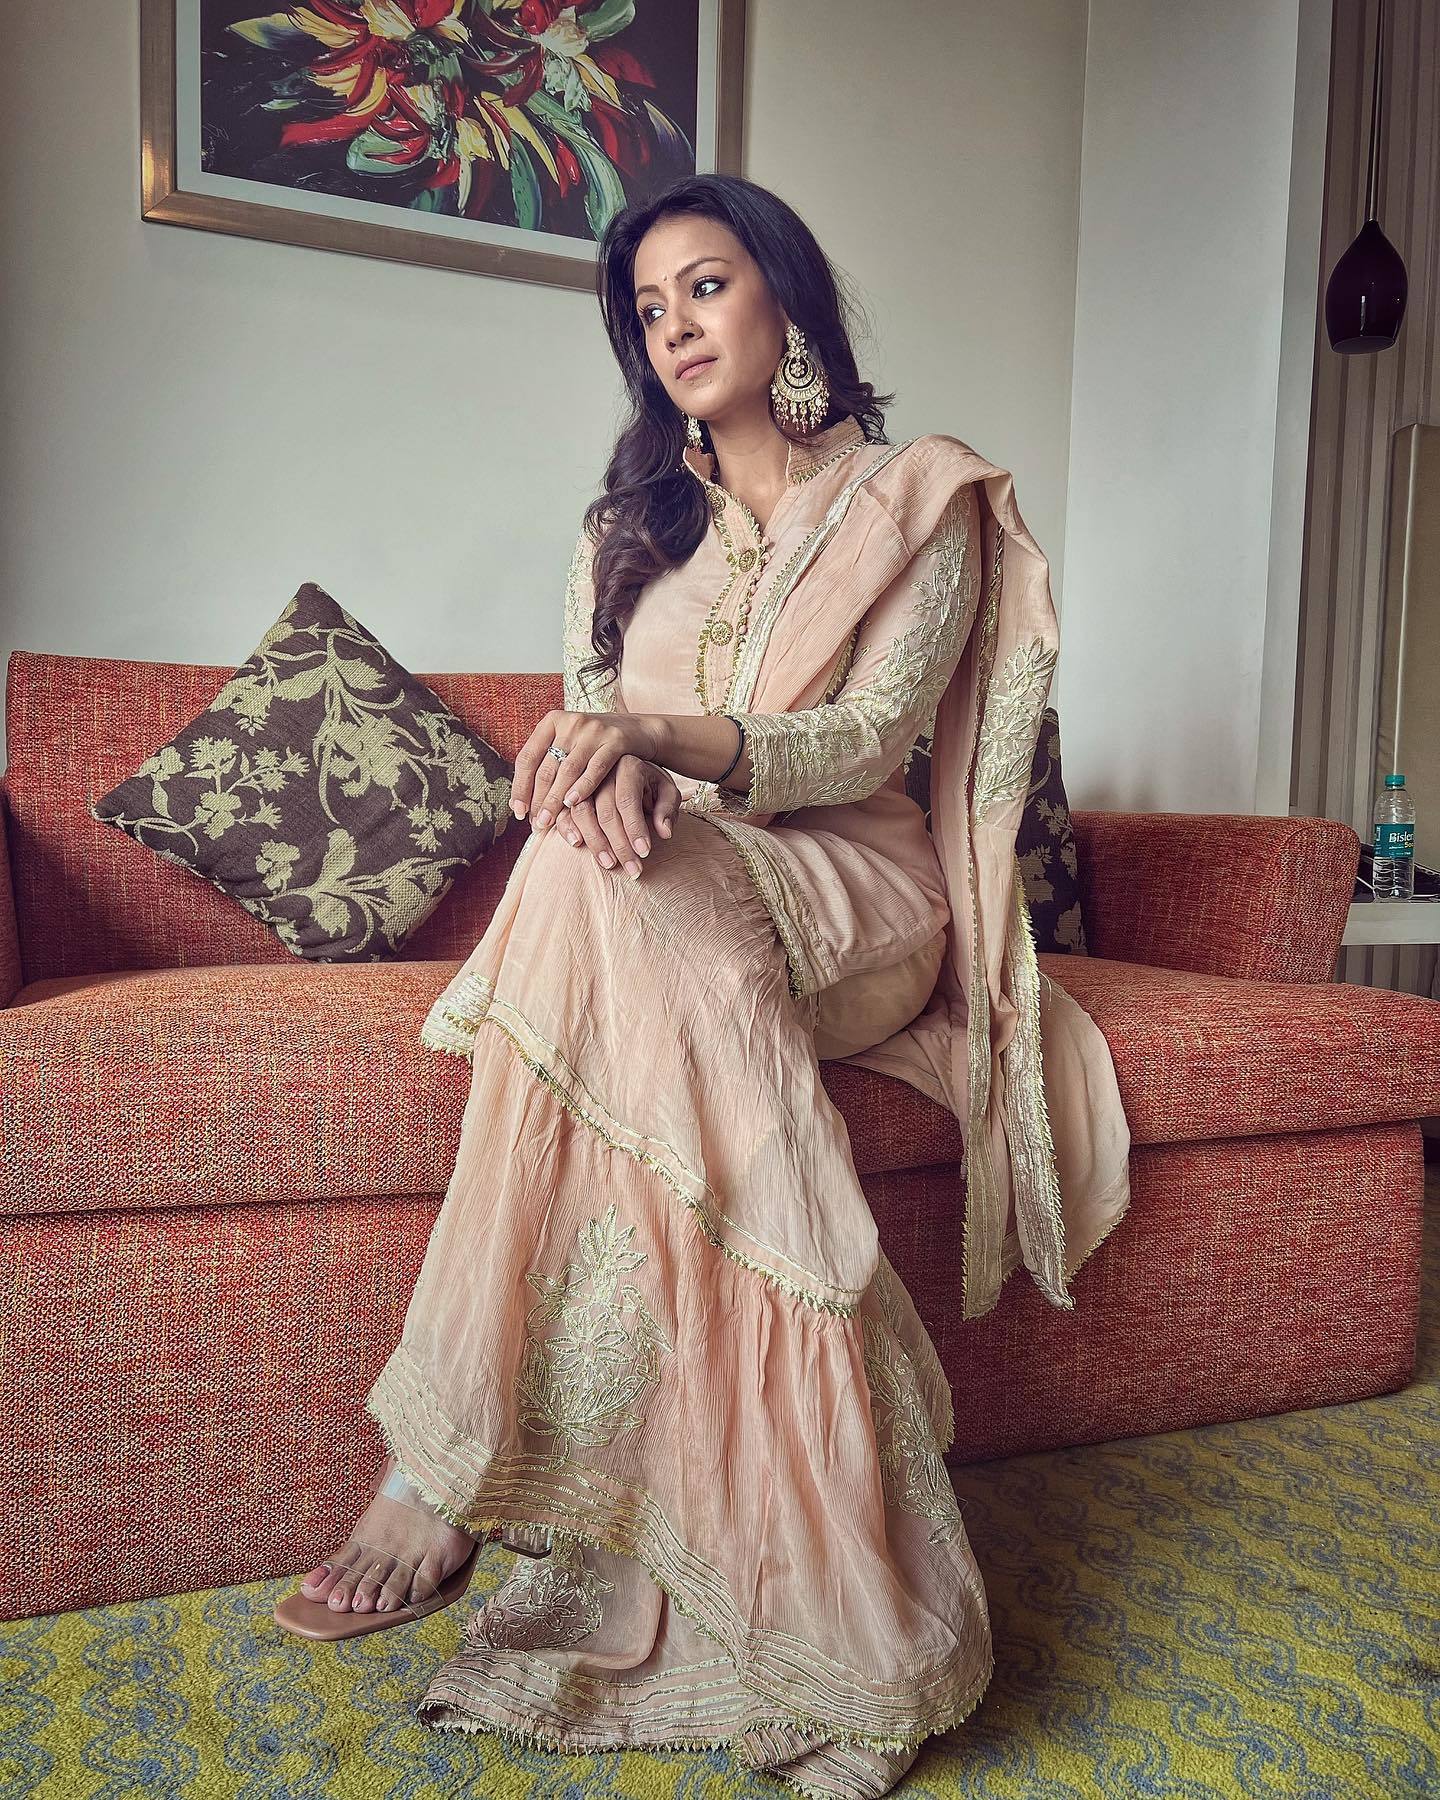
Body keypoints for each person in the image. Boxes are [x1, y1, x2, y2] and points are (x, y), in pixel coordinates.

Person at [272, 173, 1132, 1799]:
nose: (673, 325)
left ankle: (437, 1473)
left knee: (597, 882)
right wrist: (601, 784)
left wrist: (659, 743)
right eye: (647, 307)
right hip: (655, 880)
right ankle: (805, 1559)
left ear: (785, 294)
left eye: (706, 285)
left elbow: (863, 745)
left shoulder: (916, 500)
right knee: (581, 866)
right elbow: (580, 743)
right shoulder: (625, 533)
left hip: (855, 897)